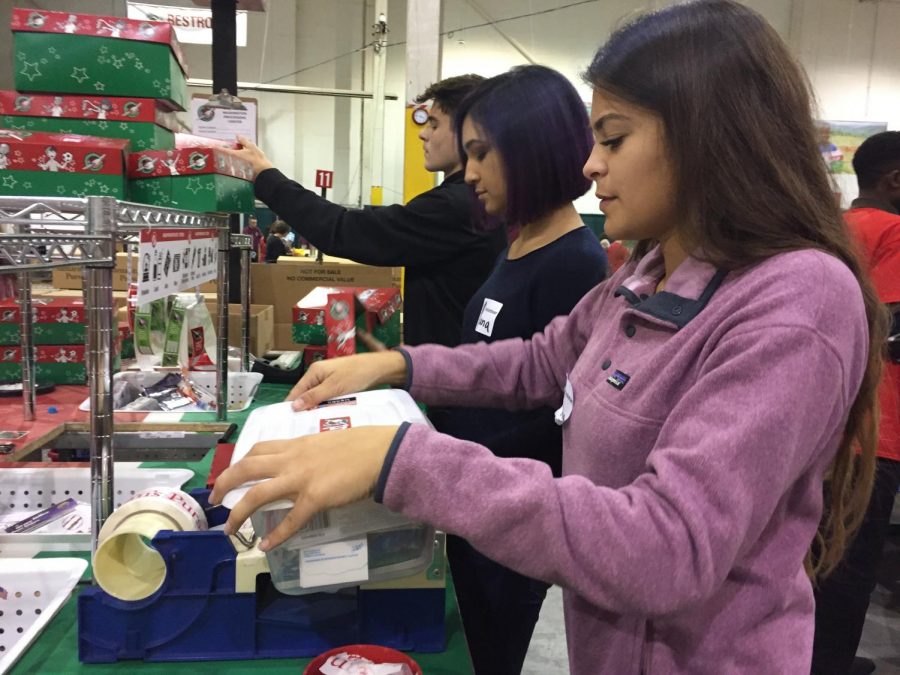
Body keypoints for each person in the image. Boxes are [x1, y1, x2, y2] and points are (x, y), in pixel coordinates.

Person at [210, 2, 887, 672]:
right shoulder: (652, 271)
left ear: (710, 136)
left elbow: (667, 544)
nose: (590, 165)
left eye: (614, 139)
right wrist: (399, 365)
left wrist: (405, 461)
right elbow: (542, 360)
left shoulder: (796, 299)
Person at [433, 65, 606, 675]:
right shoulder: (516, 242)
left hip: (508, 512)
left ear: (532, 149)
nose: (470, 172)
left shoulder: (577, 265)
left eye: (482, 154)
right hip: (469, 496)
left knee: (489, 650)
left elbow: (553, 403)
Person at [222, 74, 506, 348]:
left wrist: (266, 178)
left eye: (433, 124)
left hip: (455, 381)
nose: (422, 134)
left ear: (468, 132)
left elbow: (344, 231)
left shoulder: (455, 206)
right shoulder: (465, 200)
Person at [812, 131, 900, 675]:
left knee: (820, 561)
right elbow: (893, 332)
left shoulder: (833, 229)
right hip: (878, 429)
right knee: (849, 576)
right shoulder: (895, 231)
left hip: (828, 423)